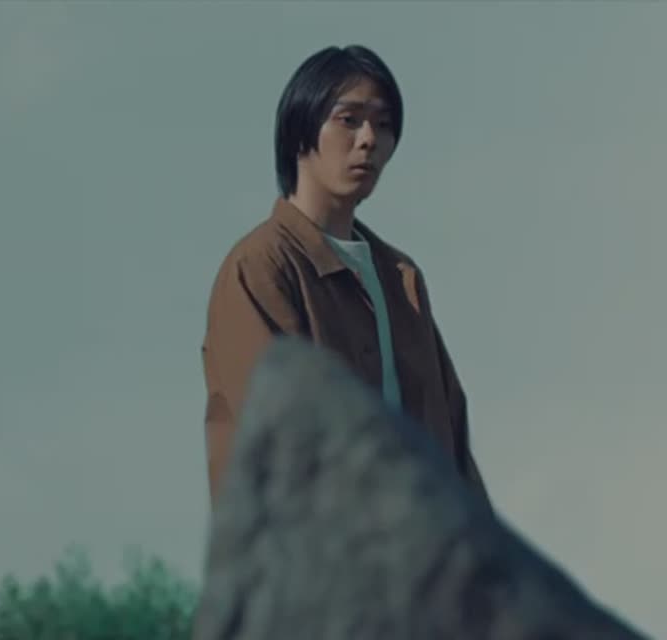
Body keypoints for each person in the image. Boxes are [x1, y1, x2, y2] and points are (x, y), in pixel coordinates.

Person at [200, 45, 489, 508]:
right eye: (349, 119)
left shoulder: (401, 281)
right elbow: (277, 439)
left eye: (384, 124)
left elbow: (452, 439)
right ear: (300, 130)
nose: (369, 138)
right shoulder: (261, 267)